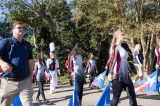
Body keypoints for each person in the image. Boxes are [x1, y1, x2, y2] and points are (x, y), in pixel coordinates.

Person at [0, 21, 34, 106]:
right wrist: (2, 63)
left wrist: (31, 76)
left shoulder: (27, 44)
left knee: (28, 104)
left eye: (23, 28)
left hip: (25, 81)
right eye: (19, 28)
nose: (21, 30)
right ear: (12, 30)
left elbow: (30, 61)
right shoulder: (6, 42)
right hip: (8, 82)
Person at [107, 29, 137, 106]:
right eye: (122, 35)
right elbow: (112, 60)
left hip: (126, 76)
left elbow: (125, 62)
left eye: (124, 35)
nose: (124, 36)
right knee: (116, 98)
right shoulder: (114, 47)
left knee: (132, 96)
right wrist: (110, 73)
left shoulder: (122, 47)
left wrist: (130, 71)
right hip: (117, 77)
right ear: (117, 36)